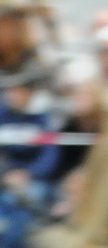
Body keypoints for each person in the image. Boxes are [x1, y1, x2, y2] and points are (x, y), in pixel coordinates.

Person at [0, 83, 59, 247]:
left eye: (18, 90)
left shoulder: (43, 117)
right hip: (5, 177)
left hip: (33, 179)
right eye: (10, 89)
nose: (13, 94)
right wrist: (6, 174)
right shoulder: (2, 113)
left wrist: (28, 173)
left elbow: (50, 154)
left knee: (25, 203)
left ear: (29, 93)